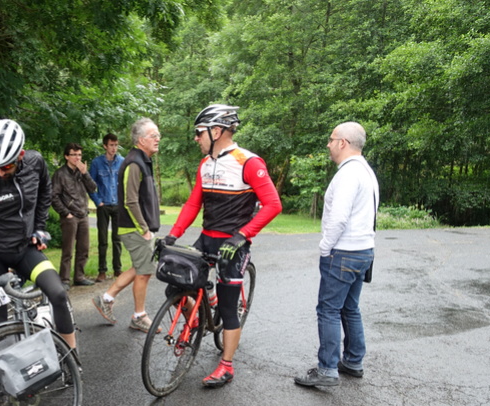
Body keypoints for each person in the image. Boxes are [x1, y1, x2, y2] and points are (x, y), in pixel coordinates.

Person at [163, 104, 282, 387]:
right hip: (207, 237)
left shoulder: (248, 162)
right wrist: (172, 235)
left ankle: (226, 366)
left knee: (229, 309)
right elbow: (194, 203)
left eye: (199, 132)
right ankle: (205, 304)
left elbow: (273, 204)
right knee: (175, 285)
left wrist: (243, 235)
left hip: (233, 243)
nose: (196, 138)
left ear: (216, 132)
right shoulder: (205, 164)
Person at [0, 119, 77, 350]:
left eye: (6, 167)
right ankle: (5, 375)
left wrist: (39, 227)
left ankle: (71, 357)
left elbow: (45, 191)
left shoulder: (35, 163)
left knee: (58, 295)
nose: (0, 172)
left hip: (24, 250)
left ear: (21, 155)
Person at [294, 121, 378, 387]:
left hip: (343, 251)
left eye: (331, 140)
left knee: (328, 310)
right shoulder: (365, 171)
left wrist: (325, 247)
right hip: (364, 250)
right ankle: (353, 361)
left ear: (343, 142)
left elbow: (339, 218)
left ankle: (327, 369)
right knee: (349, 308)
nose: (328, 145)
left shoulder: (348, 174)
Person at [92, 118, 162, 333]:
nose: (158, 139)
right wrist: (144, 229)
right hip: (133, 228)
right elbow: (131, 200)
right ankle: (139, 316)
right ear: (141, 140)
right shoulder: (134, 163)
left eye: (158, 135)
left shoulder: (143, 160)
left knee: (140, 267)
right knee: (144, 272)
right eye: (153, 135)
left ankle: (106, 298)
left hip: (137, 227)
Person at [51, 143, 97, 288]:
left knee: (83, 248)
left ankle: (79, 276)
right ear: (66, 156)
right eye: (74, 155)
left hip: (83, 214)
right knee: (68, 250)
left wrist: (85, 173)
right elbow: (54, 196)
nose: (77, 158)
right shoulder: (60, 174)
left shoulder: (81, 172)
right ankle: (64, 279)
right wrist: (66, 213)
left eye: (79, 155)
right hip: (70, 216)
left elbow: (93, 188)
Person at [89, 133, 124, 282]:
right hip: (104, 205)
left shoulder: (122, 161)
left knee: (117, 239)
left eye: (116, 145)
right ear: (105, 146)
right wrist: (98, 202)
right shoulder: (97, 163)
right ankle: (102, 271)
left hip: (118, 205)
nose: (114, 148)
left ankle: (117, 270)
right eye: (111, 145)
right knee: (102, 239)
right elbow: (90, 185)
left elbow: (126, 183)